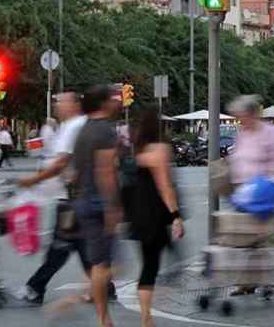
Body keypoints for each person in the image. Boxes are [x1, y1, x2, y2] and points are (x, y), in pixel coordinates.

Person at [16, 91, 116, 306]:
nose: (57, 106)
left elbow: (62, 163)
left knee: (61, 246)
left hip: (72, 198)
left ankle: (35, 287)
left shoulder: (74, 127)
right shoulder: (72, 125)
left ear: (74, 104)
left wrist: (33, 180)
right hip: (74, 197)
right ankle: (104, 287)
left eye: (61, 102)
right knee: (75, 244)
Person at [227, 95, 274, 283]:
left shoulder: (271, 132)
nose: (240, 120)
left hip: (272, 193)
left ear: (252, 114)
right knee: (248, 238)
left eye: (242, 116)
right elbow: (239, 161)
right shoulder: (243, 134)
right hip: (247, 195)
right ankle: (248, 282)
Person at [73, 84, 124, 327]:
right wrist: (112, 206)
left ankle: (104, 319)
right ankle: (99, 316)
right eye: (113, 99)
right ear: (103, 104)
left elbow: (74, 171)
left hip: (83, 200)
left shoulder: (82, 130)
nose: (117, 102)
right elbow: (105, 170)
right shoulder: (105, 131)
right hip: (99, 203)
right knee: (109, 265)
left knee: (99, 263)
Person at [131, 106, 184, 327]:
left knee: (147, 264)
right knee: (152, 265)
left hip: (138, 212)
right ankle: (146, 318)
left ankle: (147, 315)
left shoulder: (138, 149)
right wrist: (176, 216)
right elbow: (165, 186)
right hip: (156, 214)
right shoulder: (160, 149)